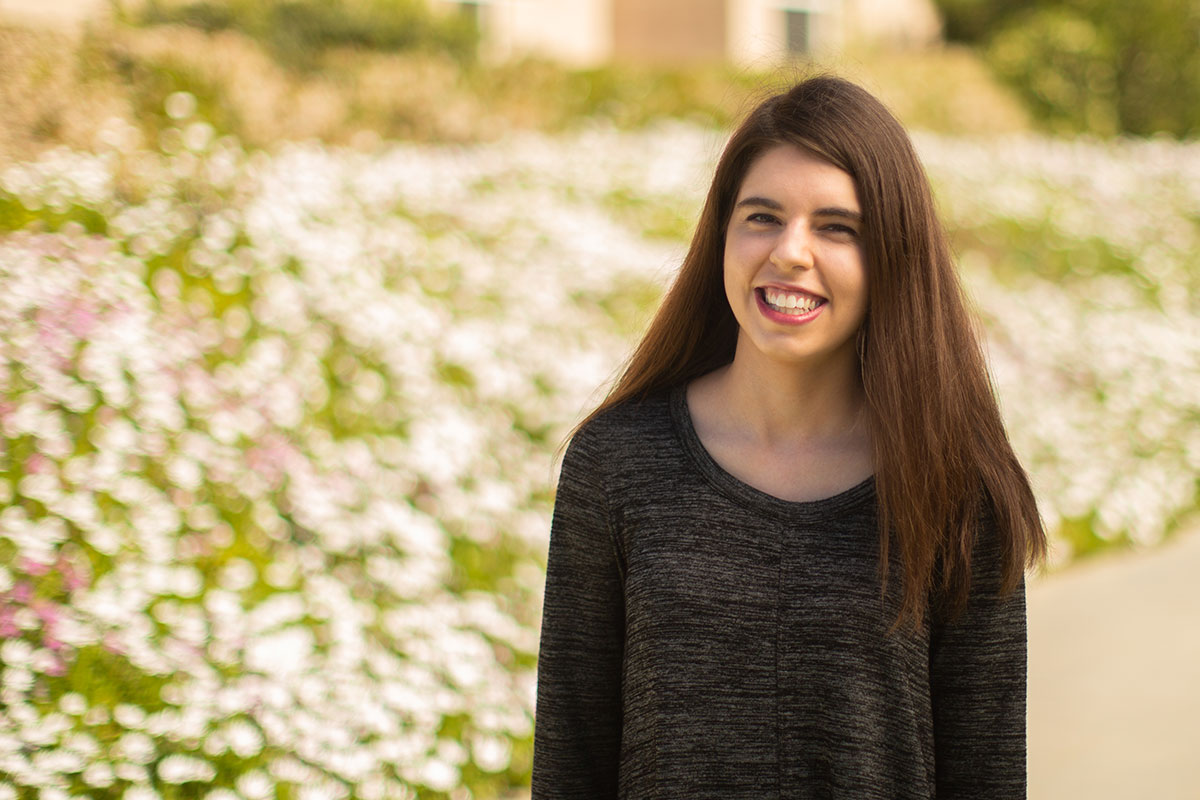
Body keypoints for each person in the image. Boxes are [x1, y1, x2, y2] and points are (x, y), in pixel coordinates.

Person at [532, 75, 1046, 799]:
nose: (790, 253)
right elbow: (570, 762)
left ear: (891, 258)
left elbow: (987, 776)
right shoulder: (616, 464)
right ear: (722, 236)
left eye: (837, 227)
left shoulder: (958, 488)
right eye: (762, 218)